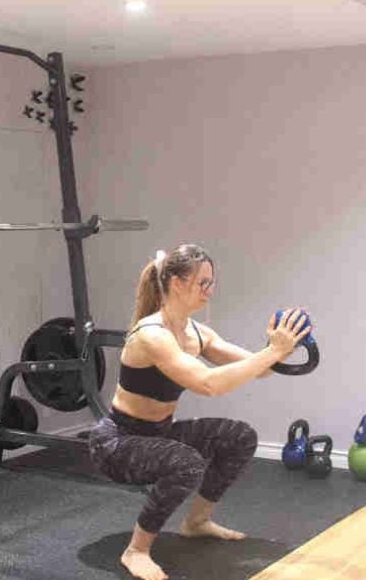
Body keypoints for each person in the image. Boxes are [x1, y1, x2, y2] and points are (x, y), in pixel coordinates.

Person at [87, 243, 311, 580]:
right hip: (116, 444)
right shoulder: (151, 335)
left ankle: (196, 522)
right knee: (187, 462)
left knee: (239, 437)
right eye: (203, 283)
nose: (210, 290)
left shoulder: (197, 333)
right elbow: (208, 384)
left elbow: (261, 369)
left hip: (159, 433)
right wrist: (272, 353)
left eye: (211, 283)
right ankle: (136, 550)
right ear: (177, 283)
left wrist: (276, 349)